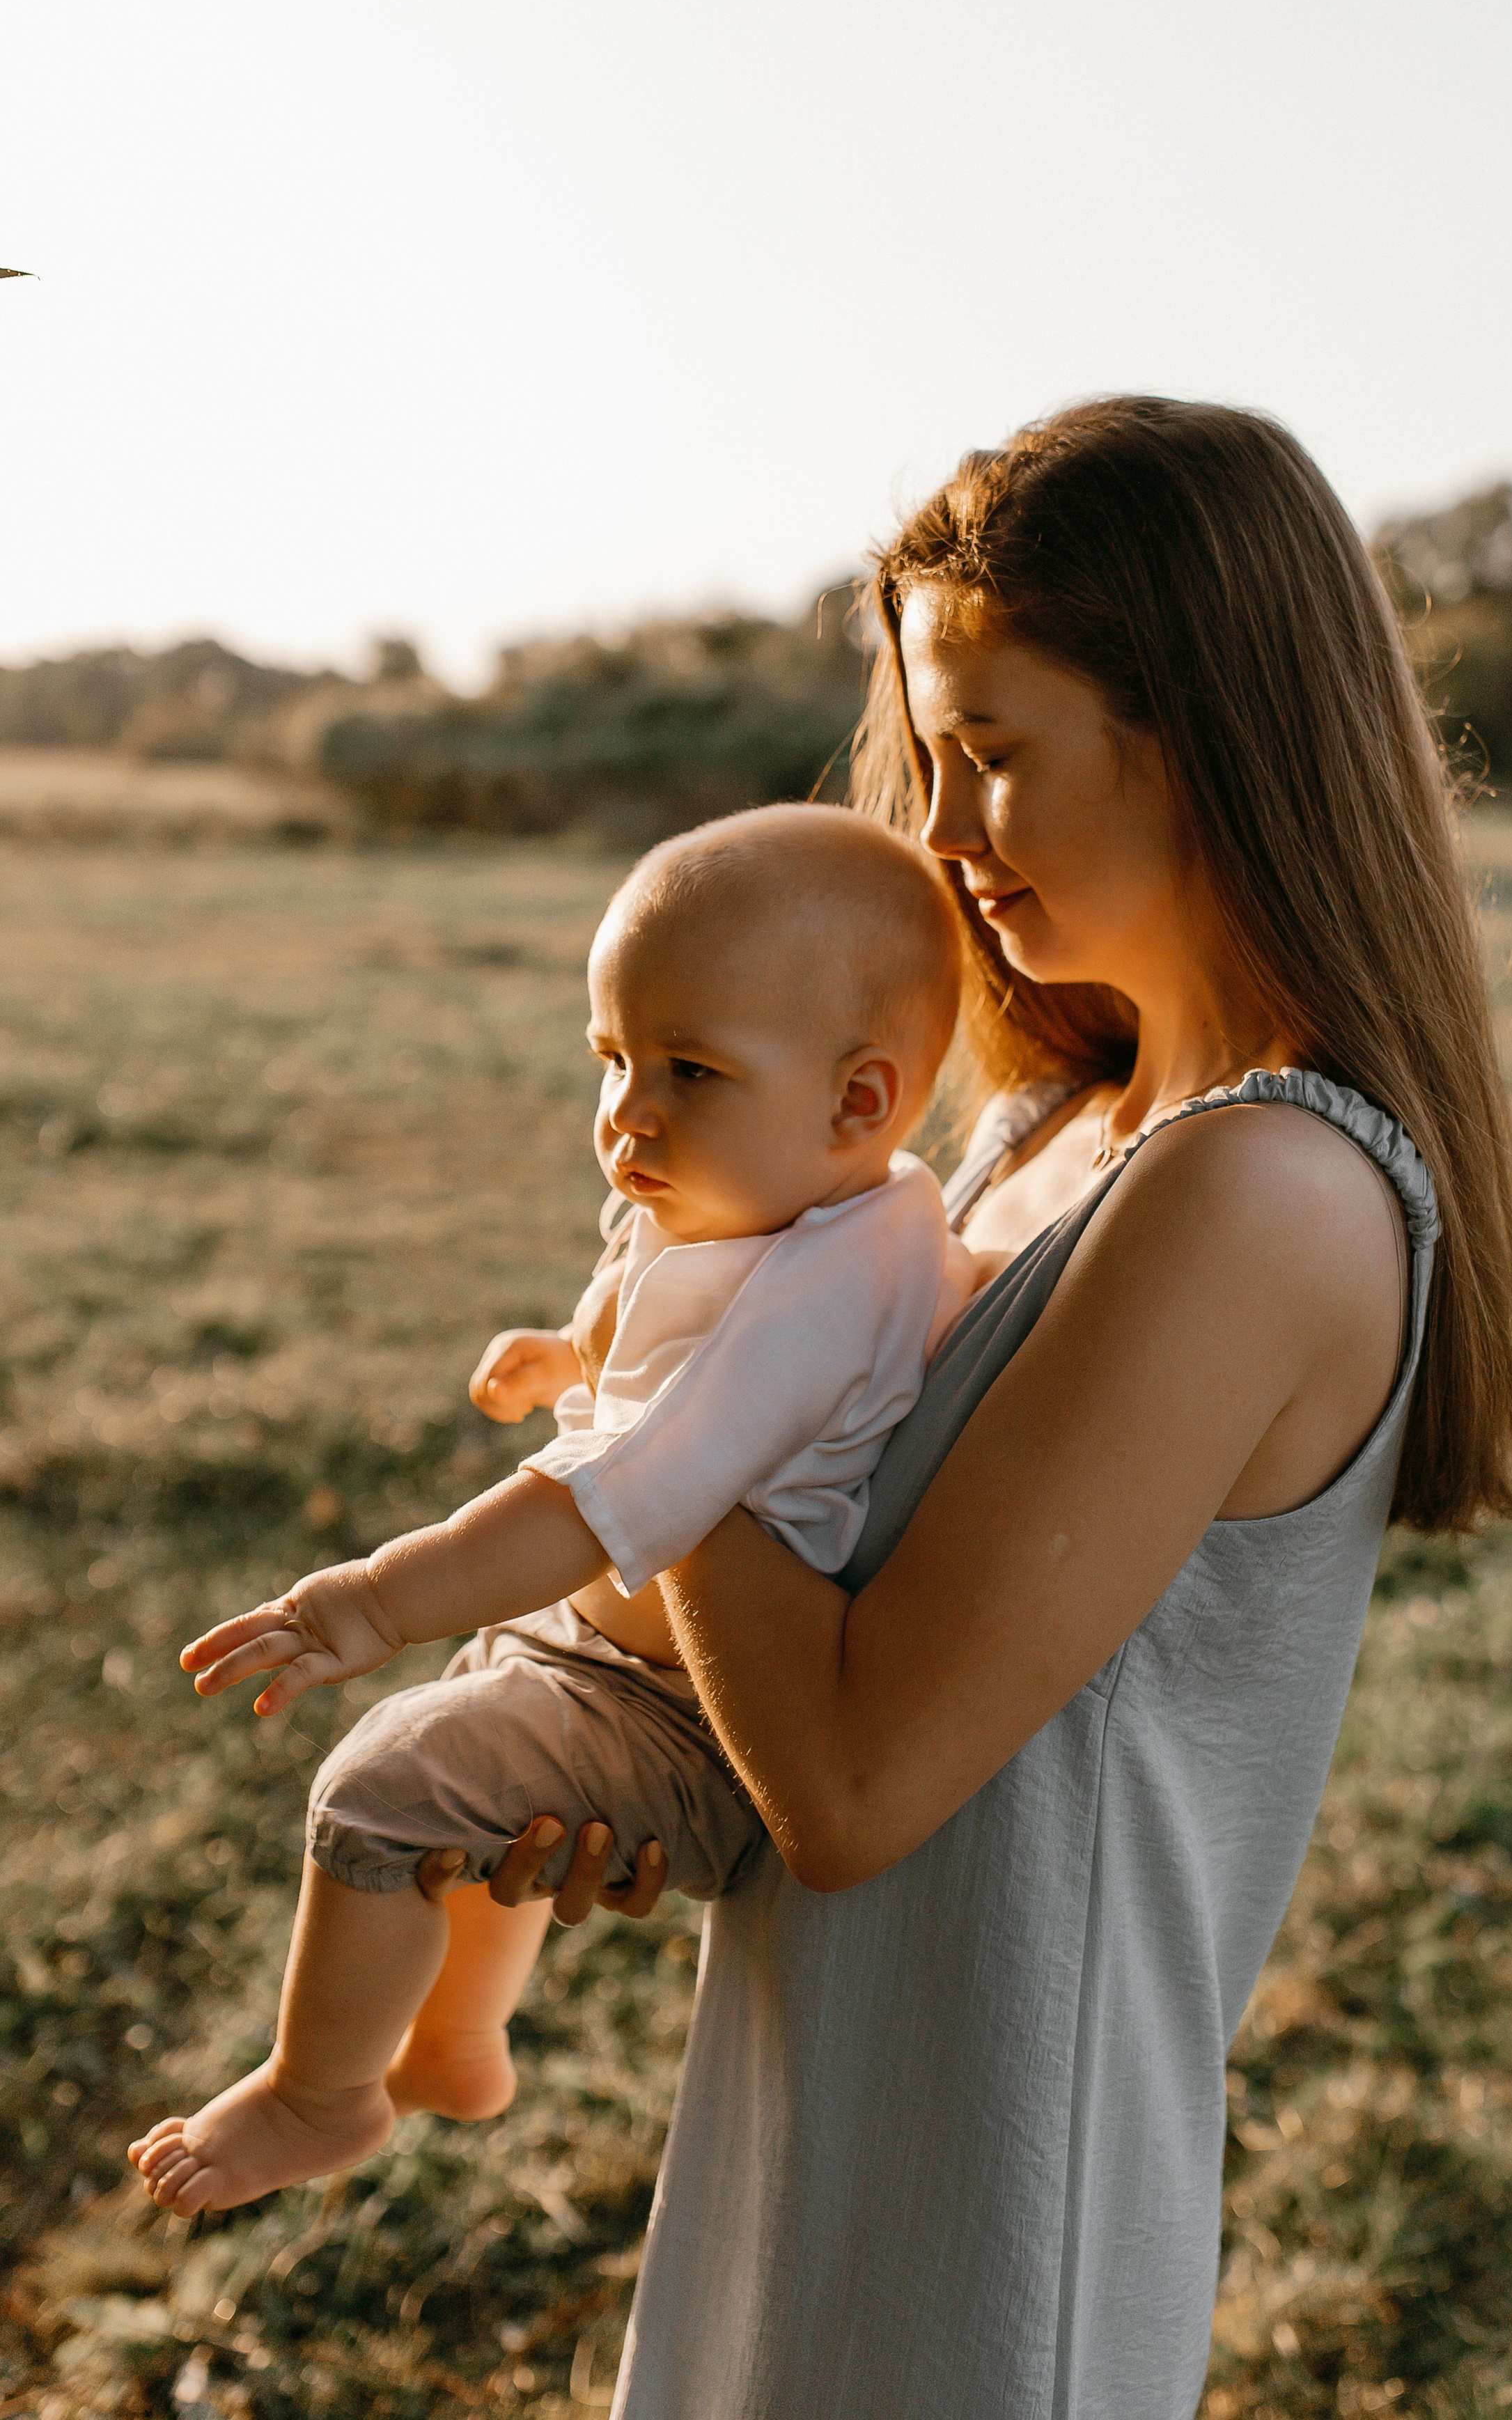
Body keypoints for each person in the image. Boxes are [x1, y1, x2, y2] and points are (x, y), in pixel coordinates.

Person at [471, 398, 1512, 2419]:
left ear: (1209, 729)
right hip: (818, 2082)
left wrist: (679, 1386)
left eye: (992, 751)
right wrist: (617, 1748)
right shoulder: (1045, 1128)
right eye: (929, 752)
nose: (942, 834)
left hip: (993, 2189)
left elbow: (859, 1780)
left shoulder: (1260, 1189)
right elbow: (821, 1653)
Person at [125, 803, 976, 2217]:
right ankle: (455, 2045)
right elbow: (653, 1321)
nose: (628, 1110)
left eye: (688, 1069)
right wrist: (573, 1356)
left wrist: (375, 1601)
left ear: (859, 1103)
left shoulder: (831, 1292)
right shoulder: (743, 1186)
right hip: (604, 1650)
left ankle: (319, 2095)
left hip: (698, 1714)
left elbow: (611, 1498)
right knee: (469, 1777)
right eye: (612, 1059)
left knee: (383, 1785)